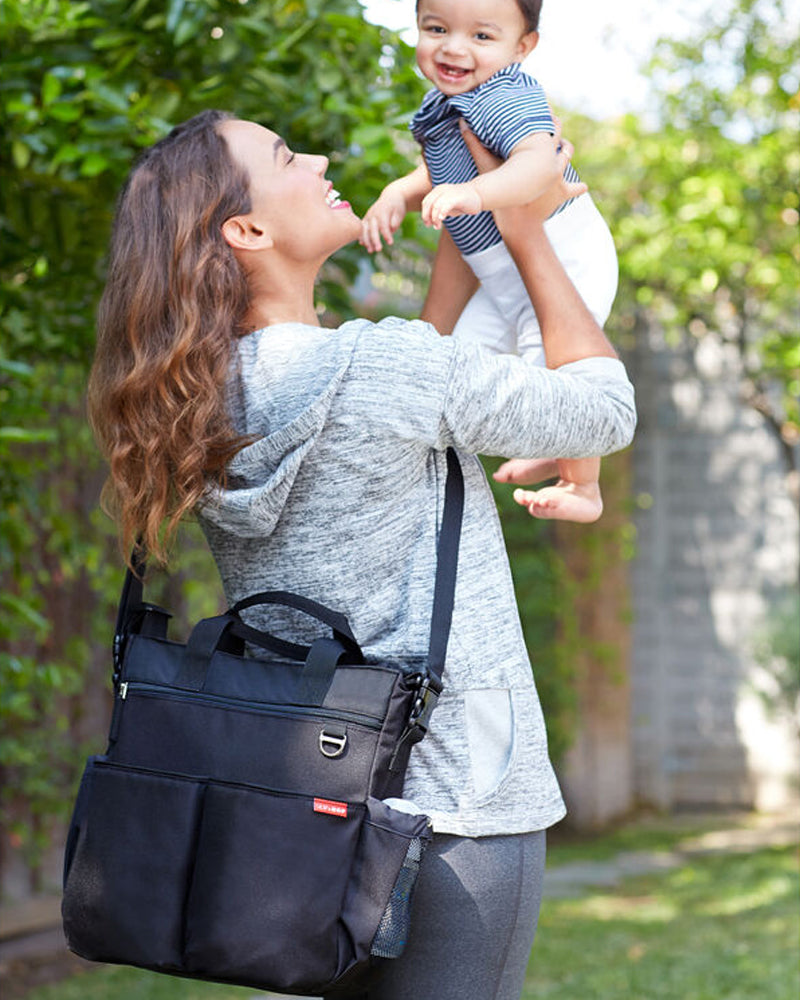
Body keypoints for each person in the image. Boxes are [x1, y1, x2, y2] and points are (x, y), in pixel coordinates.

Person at [87, 108, 635, 1000]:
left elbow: (423, 372)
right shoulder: (383, 369)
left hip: (301, 811)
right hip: (457, 799)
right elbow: (603, 412)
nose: (317, 159)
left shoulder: (188, 401)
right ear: (247, 231)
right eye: (284, 158)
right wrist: (526, 228)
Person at [361, 0, 619, 523]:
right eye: (437, 28)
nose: (454, 48)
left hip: (565, 257)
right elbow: (437, 171)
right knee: (463, 360)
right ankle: (554, 443)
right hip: (499, 277)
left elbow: (538, 163)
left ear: (522, 47)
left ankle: (582, 484)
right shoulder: (447, 103)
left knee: (558, 367)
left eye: (481, 36)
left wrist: (476, 194)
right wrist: (397, 194)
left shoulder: (504, 96)